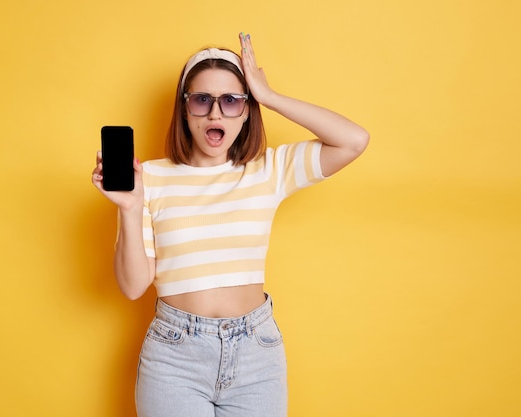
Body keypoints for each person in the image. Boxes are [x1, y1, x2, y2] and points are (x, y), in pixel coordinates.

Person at [92, 32, 369, 417]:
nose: (215, 114)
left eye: (232, 100)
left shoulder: (268, 171)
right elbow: (134, 285)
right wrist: (129, 206)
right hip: (175, 359)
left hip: (257, 354)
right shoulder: (150, 178)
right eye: (202, 99)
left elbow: (353, 140)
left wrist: (268, 95)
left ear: (247, 109)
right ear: (184, 107)